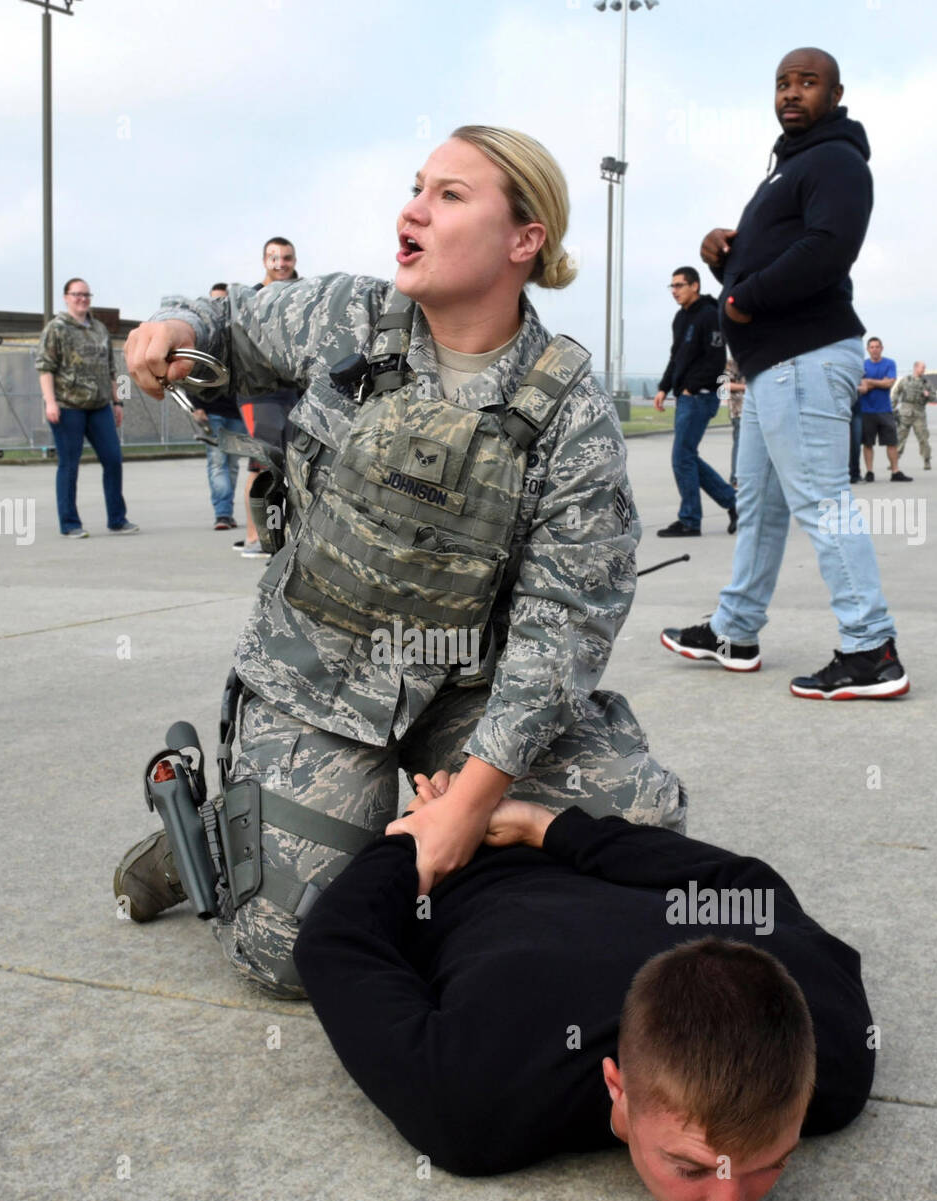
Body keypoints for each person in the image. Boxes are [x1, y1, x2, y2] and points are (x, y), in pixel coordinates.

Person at [117, 126, 686, 997]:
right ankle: (215, 829)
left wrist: (467, 802)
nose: (411, 210)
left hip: (469, 698)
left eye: (450, 196)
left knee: (638, 819)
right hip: (319, 680)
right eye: (417, 187)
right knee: (293, 955)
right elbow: (224, 323)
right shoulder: (351, 315)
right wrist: (176, 323)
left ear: (523, 240)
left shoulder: (569, 408)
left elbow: (564, 626)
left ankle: (408, 844)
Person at [293, 773, 874, 1201]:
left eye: (773, 1163)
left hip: (513, 841)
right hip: (458, 881)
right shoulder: (474, 1098)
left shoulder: (836, 1058)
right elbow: (331, 942)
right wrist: (427, 840)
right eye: (691, 1167)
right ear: (616, 1087)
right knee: (267, 948)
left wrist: (475, 830)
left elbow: (743, 884)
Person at [660, 48, 910, 701]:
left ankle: (869, 649)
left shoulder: (836, 160)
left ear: (835, 93)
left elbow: (827, 249)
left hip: (804, 356)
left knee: (823, 502)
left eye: (807, 82)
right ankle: (733, 632)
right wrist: (724, 256)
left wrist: (742, 300)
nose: (791, 93)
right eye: (782, 83)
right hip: (774, 364)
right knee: (761, 508)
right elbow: (771, 258)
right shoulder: (790, 167)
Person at [36, 278, 139, 538]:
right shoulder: (56, 328)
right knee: (69, 466)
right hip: (68, 407)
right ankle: (70, 523)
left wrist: (117, 402)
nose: (82, 299)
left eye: (86, 294)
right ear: (66, 297)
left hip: (100, 406)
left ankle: (117, 518)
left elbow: (112, 369)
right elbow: (45, 367)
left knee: (113, 459)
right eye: (76, 294)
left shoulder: (99, 329)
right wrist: (50, 402)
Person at [231, 238, 302, 557]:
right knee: (262, 467)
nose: (280, 263)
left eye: (286, 258)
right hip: (259, 394)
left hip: (296, 390)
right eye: (274, 258)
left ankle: (285, 535)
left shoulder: (305, 294)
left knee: (295, 467)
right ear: (264, 261)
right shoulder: (252, 298)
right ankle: (254, 538)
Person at [653, 267, 736, 538]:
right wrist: (664, 388)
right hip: (685, 397)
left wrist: (691, 388)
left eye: (680, 285)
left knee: (682, 457)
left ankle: (690, 520)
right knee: (687, 457)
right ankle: (735, 504)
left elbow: (715, 361)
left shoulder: (710, 315)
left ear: (695, 286)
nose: (675, 290)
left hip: (700, 397)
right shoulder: (680, 318)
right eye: (672, 286)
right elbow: (675, 357)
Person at [189, 283, 245, 529]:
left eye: (223, 301)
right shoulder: (205, 336)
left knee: (232, 464)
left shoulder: (240, 335)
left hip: (237, 411)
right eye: (214, 301)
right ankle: (222, 513)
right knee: (217, 461)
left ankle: (227, 511)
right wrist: (195, 406)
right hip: (211, 410)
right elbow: (190, 372)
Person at [859, 336, 909, 482]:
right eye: (872, 347)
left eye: (877, 347)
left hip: (885, 410)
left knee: (891, 442)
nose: (874, 349)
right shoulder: (862, 365)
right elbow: (863, 388)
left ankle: (895, 472)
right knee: (868, 443)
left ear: (881, 348)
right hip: (866, 410)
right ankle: (869, 472)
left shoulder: (889, 363)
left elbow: (889, 384)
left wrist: (869, 381)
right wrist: (880, 382)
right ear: (868, 349)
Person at [892, 359, 935, 471]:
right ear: (916, 368)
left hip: (919, 413)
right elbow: (896, 393)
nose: (924, 370)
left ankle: (927, 460)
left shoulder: (926, 383)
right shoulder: (906, 380)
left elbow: (934, 397)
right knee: (900, 437)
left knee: (923, 438)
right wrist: (892, 407)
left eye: (924, 368)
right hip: (905, 412)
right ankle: (894, 461)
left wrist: (928, 395)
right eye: (922, 368)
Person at [722, 356, 746, 487]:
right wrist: (746, 387)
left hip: (754, 410)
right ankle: (735, 478)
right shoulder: (732, 363)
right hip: (738, 410)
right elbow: (725, 385)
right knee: (740, 443)